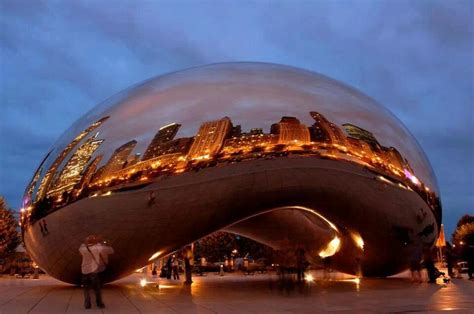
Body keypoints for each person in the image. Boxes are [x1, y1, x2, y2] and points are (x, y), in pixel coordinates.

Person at [79, 235, 114, 309]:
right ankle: (99, 304)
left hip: (84, 271)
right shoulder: (98, 248)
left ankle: (87, 304)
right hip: (93, 271)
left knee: (86, 289)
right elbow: (111, 251)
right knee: (97, 289)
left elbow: (82, 246)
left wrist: (87, 241)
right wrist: (103, 243)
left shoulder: (83, 249)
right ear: (94, 242)